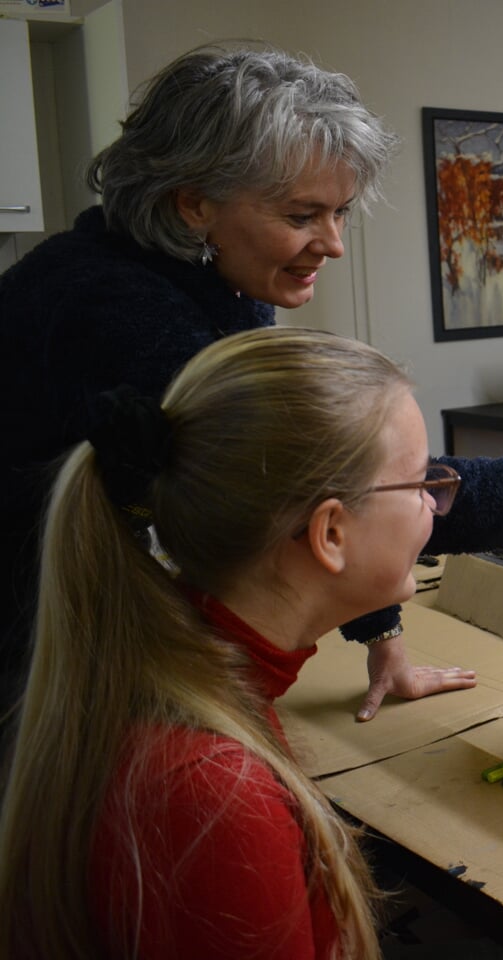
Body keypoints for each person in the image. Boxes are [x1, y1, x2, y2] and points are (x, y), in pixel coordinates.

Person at [0, 43, 503, 723]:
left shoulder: (210, 270)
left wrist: (382, 633)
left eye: (341, 211)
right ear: (195, 204)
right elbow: (331, 486)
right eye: (302, 215)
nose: (335, 243)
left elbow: (319, 479)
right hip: (36, 661)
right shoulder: (110, 307)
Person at [0, 327, 437, 958]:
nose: (434, 505)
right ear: (331, 533)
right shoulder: (213, 797)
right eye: (422, 483)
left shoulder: (178, 666)